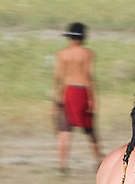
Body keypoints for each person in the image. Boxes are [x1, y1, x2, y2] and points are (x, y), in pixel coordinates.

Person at [52, 22, 101, 171]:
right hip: (83, 91)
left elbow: (58, 77)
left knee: (65, 129)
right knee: (90, 129)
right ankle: (98, 160)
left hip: (68, 91)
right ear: (83, 37)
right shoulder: (87, 53)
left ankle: (62, 163)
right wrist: (93, 97)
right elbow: (89, 75)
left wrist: (55, 100)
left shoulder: (62, 54)